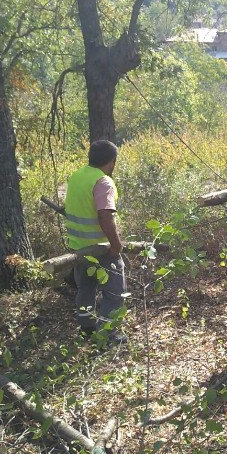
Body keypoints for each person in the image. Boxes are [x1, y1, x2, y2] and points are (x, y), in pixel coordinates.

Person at [65, 140, 127, 343]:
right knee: (115, 292)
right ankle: (109, 334)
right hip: (101, 249)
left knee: (86, 288)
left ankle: (87, 328)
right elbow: (105, 216)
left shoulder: (77, 176)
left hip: (78, 248)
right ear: (112, 161)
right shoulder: (103, 182)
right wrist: (116, 245)